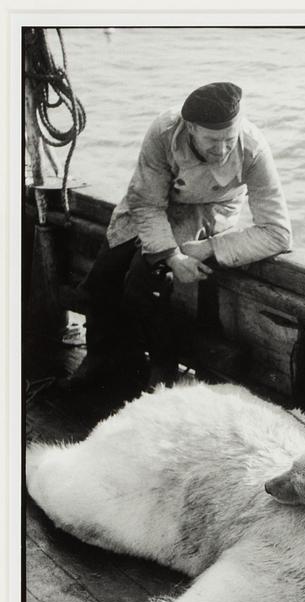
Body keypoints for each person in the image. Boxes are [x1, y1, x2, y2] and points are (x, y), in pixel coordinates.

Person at [61, 81, 292, 393]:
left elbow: (278, 233)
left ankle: (162, 369)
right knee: (102, 278)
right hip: (152, 202)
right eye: (212, 140)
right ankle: (101, 357)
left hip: (209, 208)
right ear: (191, 127)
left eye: (229, 139)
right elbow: (147, 202)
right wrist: (172, 256)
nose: (222, 150)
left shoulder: (253, 149)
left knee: (143, 284)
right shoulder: (164, 132)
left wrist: (210, 247)